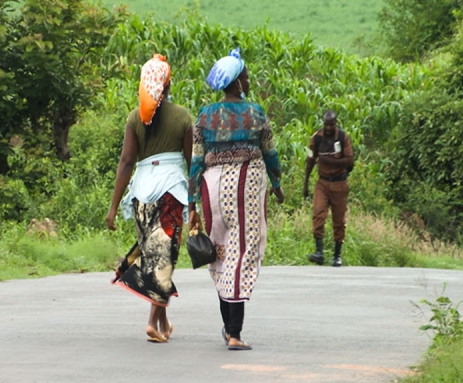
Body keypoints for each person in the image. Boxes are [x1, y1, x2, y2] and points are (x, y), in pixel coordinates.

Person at [188, 48, 284, 351]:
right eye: (246, 75)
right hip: (245, 188)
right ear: (237, 82)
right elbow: (270, 153)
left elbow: (195, 161)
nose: (249, 79)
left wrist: (192, 202)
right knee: (241, 253)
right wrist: (278, 185)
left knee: (219, 253)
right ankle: (234, 332)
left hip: (211, 190)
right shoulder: (255, 113)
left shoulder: (204, 115)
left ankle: (228, 327)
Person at [106, 54, 193, 343]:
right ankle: (152, 323)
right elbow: (192, 163)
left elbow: (126, 161)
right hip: (171, 191)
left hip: (141, 192)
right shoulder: (181, 116)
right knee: (164, 257)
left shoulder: (134, 117)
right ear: (168, 85)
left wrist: (113, 206)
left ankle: (163, 321)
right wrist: (195, 204)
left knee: (154, 255)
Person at [303, 110, 354, 267]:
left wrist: (331, 162)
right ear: (323, 123)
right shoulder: (316, 139)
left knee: (339, 220)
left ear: (336, 124)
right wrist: (305, 184)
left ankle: (337, 255)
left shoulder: (343, 138)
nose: (329, 128)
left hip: (339, 183)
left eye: (332, 125)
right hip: (323, 183)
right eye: (326, 125)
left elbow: (350, 161)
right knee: (318, 214)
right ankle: (319, 252)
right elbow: (310, 160)